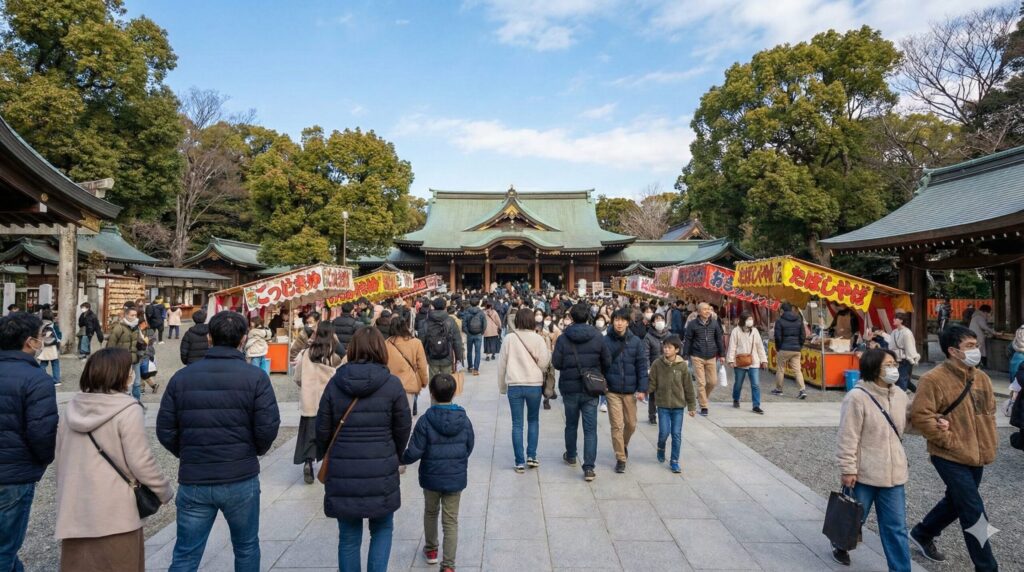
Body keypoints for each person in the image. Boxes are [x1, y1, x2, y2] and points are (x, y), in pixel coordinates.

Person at [157, 311, 281, 572]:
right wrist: (253, 451)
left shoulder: (183, 377)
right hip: (240, 475)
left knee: (186, 554)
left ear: (210, 339)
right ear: (243, 339)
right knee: (246, 547)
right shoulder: (256, 378)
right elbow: (268, 426)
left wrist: (188, 451)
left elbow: (166, 429)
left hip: (195, 478)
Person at [55, 348, 174, 571]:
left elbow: (61, 458)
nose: (132, 374)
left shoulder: (71, 408)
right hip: (116, 511)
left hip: (76, 508)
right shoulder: (127, 410)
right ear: (120, 374)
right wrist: (164, 491)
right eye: (129, 369)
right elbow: (141, 462)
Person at [316, 327, 412, 572]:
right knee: (382, 529)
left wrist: (326, 453)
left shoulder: (336, 382)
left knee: (348, 536)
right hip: (381, 466)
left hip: (343, 467)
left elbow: (322, 427)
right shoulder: (392, 384)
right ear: (381, 349)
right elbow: (403, 427)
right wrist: (394, 453)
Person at [908, 326, 998, 570]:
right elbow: (921, 415)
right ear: (952, 351)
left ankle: (923, 531)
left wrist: (989, 442)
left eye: (975, 345)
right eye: (969, 346)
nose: (975, 350)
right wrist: (947, 438)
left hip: (977, 454)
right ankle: (987, 566)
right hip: (948, 454)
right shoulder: (933, 379)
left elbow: (989, 413)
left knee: (956, 501)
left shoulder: (982, 378)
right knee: (973, 510)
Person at [833, 348, 912, 570]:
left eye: (895, 364)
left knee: (896, 527)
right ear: (873, 368)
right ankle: (840, 543)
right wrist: (848, 468)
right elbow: (848, 436)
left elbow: (908, 424)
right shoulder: (857, 397)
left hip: (894, 474)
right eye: (888, 365)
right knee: (854, 519)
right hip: (864, 473)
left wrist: (934, 423)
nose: (894, 369)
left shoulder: (900, 395)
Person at [0, 312, 58, 572]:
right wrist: (41, 461)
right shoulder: (37, 379)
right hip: (15, 472)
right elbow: (42, 433)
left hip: (14, 469)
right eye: (39, 337)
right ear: (29, 342)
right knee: (5, 548)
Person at [402, 373, 475, 572]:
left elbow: (415, 451)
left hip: (431, 476)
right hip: (455, 477)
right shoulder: (464, 419)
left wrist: (400, 459)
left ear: (432, 393)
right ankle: (449, 565)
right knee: (451, 520)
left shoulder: (425, 420)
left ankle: (432, 550)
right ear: (454, 393)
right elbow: (469, 446)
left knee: (431, 511)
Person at [551, 303, 611, 482]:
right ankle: (589, 467)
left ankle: (570, 455)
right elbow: (607, 361)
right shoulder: (598, 337)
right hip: (591, 388)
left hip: (570, 388)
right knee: (590, 428)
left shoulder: (563, 338)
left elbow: (557, 363)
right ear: (588, 317)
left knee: (571, 424)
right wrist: (596, 371)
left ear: (572, 317)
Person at [498, 308, 551, 472]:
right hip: (534, 385)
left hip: (514, 384)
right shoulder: (538, 339)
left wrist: (502, 386)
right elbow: (543, 364)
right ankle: (532, 456)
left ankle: (519, 461)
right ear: (532, 321)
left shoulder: (509, 339)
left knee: (517, 424)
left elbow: (501, 365)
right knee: (533, 420)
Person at [293, 322, 343, 484]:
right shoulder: (333, 354)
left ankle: (308, 462)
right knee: (331, 434)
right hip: (328, 402)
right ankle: (330, 465)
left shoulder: (306, 352)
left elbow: (298, 377)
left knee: (309, 435)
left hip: (309, 402)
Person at [604, 309, 649, 474]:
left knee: (631, 424)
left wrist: (643, 388)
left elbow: (642, 366)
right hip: (612, 390)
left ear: (628, 322)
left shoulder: (636, 341)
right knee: (616, 425)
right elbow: (600, 364)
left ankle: (623, 445)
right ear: (612, 321)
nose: (619, 323)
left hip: (630, 391)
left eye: (623, 320)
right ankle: (620, 458)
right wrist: (603, 383)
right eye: (616, 319)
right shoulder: (605, 341)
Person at [647, 335, 696, 473]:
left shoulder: (682, 366)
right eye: (665, 347)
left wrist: (692, 406)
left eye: (669, 347)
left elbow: (688, 387)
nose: (666, 350)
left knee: (676, 434)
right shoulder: (657, 364)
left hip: (678, 406)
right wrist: (643, 391)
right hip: (662, 405)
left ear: (677, 349)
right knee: (664, 432)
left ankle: (674, 461)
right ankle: (661, 447)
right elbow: (652, 382)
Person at [682, 302, 725, 416]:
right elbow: (688, 340)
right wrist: (685, 356)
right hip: (697, 356)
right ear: (699, 312)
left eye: (709, 309)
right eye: (705, 309)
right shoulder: (692, 324)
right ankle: (704, 406)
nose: (707, 311)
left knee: (712, 381)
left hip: (711, 356)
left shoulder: (715, 323)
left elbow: (719, 339)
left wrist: (722, 354)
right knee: (701, 382)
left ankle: (702, 396)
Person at [384, 315, 429, 415]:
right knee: (407, 415)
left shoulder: (386, 343)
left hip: (389, 385)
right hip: (409, 384)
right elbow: (422, 365)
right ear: (405, 326)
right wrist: (424, 381)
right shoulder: (416, 343)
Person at [727, 311, 768, 414]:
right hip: (740, 362)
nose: (751, 321)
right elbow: (732, 346)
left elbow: (760, 347)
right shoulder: (736, 331)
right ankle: (736, 398)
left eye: (751, 319)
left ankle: (756, 405)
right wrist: (731, 360)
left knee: (755, 384)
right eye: (748, 319)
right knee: (738, 384)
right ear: (743, 320)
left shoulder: (755, 331)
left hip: (753, 361)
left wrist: (764, 360)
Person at [107, 306, 146, 399]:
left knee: (137, 382)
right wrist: (111, 359)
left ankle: (137, 402)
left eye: (135, 315)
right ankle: (124, 402)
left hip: (135, 358)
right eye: (132, 315)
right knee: (124, 382)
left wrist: (143, 344)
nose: (134, 317)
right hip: (122, 359)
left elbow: (140, 341)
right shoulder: (119, 327)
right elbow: (111, 344)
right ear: (126, 315)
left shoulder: (137, 327)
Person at [424, 298, 465, 382]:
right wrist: (458, 358)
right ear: (445, 307)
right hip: (447, 356)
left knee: (433, 382)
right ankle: (446, 394)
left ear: (433, 307)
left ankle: (434, 394)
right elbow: (457, 341)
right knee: (447, 381)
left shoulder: (426, 321)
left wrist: (424, 356)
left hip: (432, 357)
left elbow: (422, 340)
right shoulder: (451, 321)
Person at [772, 302, 807, 400]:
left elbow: (777, 337)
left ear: (782, 310)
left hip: (784, 348)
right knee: (797, 370)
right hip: (796, 349)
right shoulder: (799, 319)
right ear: (791, 309)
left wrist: (779, 348)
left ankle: (779, 390)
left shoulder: (780, 321)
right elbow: (803, 336)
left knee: (780, 369)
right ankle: (802, 390)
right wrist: (799, 346)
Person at [643, 313, 670, 424]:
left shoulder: (669, 335)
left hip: (667, 367)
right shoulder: (648, 337)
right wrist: (648, 368)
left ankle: (663, 412)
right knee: (653, 392)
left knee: (665, 391)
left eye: (661, 319)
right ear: (653, 323)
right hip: (654, 368)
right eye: (657, 320)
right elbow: (645, 354)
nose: (660, 321)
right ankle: (652, 414)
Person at [890, 312, 921, 392]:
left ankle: (902, 398)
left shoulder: (907, 332)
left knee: (902, 380)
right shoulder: (894, 332)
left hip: (905, 359)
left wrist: (912, 359)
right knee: (901, 379)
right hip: (896, 359)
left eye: (895, 318)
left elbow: (910, 346)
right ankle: (917, 391)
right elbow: (891, 345)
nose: (893, 319)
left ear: (901, 320)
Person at [38, 308, 63, 386]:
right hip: (52, 346)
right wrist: (59, 340)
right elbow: (58, 336)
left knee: (43, 363)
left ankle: (41, 378)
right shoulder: (53, 325)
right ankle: (56, 380)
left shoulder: (41, 325)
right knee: (55, 363)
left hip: (44, 346)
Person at [462, 297, 486, 375]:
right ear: (478, 303)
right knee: (477, 352)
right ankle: (476, 369)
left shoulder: (466, 312)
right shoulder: (481, 312)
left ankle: (470, 367)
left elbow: (464, 324)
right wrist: (482, 332)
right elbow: (484, 324)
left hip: (470, 334)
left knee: (469, 351)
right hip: (478, 334)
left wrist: (467, 332)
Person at [968, 304, 996, 369]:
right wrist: (993, 332)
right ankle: (979, 364)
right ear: (985, 311)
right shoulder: (979, 316)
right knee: (979, 349)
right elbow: (984, 326)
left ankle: (977, 364)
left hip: (973, 334)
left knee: (977, 349)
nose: (988, 314)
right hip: (977, 335)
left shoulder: (976, 315)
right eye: (988, 312)